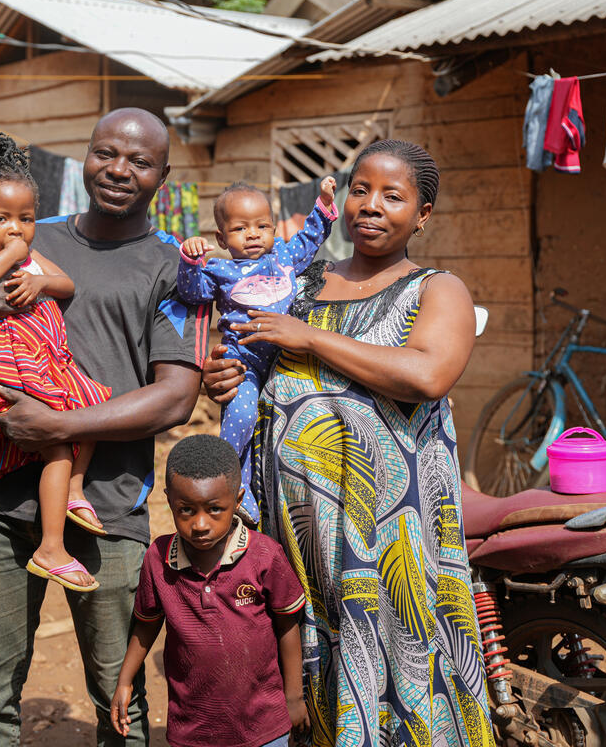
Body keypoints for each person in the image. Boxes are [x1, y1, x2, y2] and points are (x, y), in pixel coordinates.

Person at [202, 139, 495, 747]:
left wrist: (308, 338)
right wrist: (227, 375)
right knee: (301, 674)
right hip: (296, 531)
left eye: (393, 196)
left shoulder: (437, 290)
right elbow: (251, 362)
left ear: (423, 214)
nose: (371, 205)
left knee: (403, 673)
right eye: (360, 189)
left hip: (393, 538)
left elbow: (427, 374)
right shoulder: (298, 283)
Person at [0, 108, 206, 747]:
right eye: (105, 153)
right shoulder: (30, 238)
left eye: (139, 161)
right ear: (85, 156)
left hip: (109, 507)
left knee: (117, 697)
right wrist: (13, 409)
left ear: (163, 177)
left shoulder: (173, 270)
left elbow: (176, 396)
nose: (119, 169)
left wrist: (57, 422)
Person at [0, 122, 111, 593]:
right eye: (1, 218)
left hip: (45, 362)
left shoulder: (33, 259)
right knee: (56, 442)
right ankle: (51, 548)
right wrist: (12, 255)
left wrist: (38, 277)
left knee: (92, 409)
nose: (15, 229)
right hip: (5, 367)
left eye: (25, 219)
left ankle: (75, 490)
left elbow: (68, 285)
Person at [110, 434, 308, 747]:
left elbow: (288, 625)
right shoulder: (158, 559)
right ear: (169, 500)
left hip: (264, 727)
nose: (200, 524)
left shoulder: (264, 555)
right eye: (186, 510)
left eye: (215, 509)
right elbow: (146, 626)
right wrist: (125, 681)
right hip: (193, 731)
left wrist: (294, 697)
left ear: (238, 499)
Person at [175, 178, 337, 524]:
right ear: (221, 239)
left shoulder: (284, 256)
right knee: (242, 419)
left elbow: (310, 238)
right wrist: (190, 262)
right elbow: (192, 294)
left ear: (274, 229)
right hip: (243, 362)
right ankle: (229, 485)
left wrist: (323, 205)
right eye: (240, 228)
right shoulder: (220, 270)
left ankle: (248, 491)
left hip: (287, 362)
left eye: (262, 226)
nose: (253, 234)